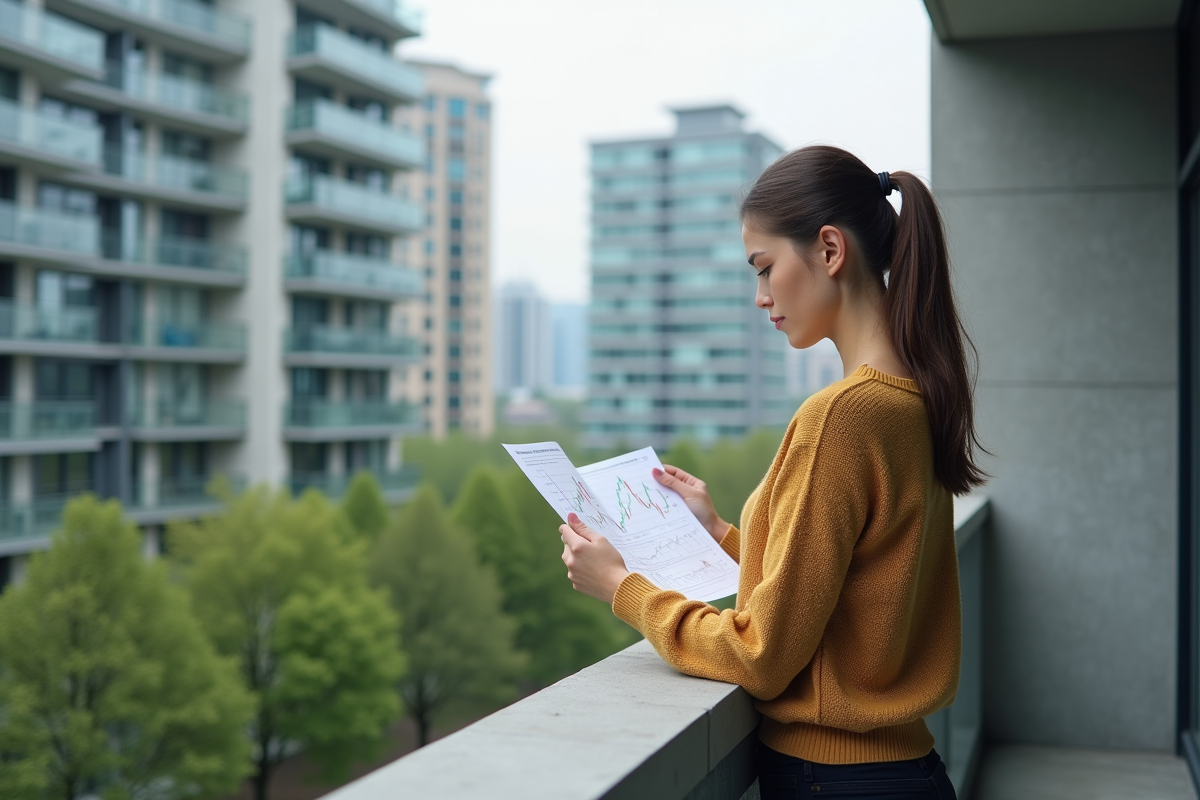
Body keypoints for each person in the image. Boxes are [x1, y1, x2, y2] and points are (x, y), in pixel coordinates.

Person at [559, 145, 985, 799]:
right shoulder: (910, 397)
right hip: (900, 773)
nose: (760, 297)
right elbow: (848, 586)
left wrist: (622, 586)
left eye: (764, 268)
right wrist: (725, 531)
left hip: (838, 782)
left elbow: (761, 654)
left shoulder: (843, 415)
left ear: (830, 250)